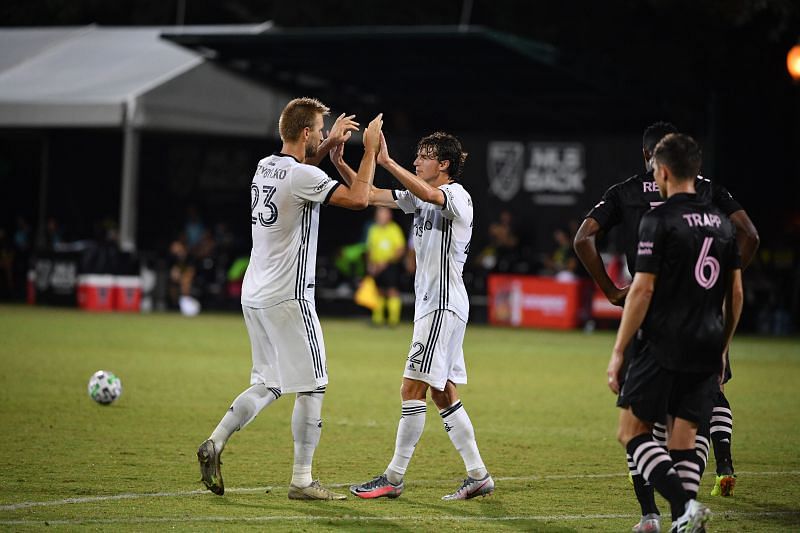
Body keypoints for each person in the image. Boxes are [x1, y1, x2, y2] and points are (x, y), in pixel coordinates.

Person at [574, 122, 758, 531]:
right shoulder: (722, 222)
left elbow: (641, 291)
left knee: (632, 430)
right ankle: (687, 522)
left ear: (660, 170)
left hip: (662, 335)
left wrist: (619, 349)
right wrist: (722, 343)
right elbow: (737, 294)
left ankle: (680, 507)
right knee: (685, 437)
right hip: (708, 336)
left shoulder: (658, 220)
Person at [196, 97, 383, 500]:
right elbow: (359, 199)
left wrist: (330, 144)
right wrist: (368, 150)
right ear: (304, 133)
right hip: (289, 297)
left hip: (255, 293)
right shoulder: (300, 175)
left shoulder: (266, 167)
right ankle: (301, 480)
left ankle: (215, 440)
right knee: (314, 385)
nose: (321, 135)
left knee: (270, 382)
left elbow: (300, 173)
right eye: (318, 130)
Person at [332, 131, 493, 501]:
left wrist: (387, 160)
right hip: (435, 306)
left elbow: (429, 194)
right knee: (442, 392)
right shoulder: (420, 197)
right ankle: (478, 475)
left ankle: (394, 476)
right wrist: (341, 163)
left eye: (424, 156)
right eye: (417, 155)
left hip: (442, 305)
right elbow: (370, 195)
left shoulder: (456, 196)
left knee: (411, 388)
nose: (418, 161)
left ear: (444, 165)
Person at [365, 206, 406, 326]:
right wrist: (370, 264)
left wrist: (386, 262)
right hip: (376, 266)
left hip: (390, 265)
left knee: (392, 291)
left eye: (383, 214)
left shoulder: (394, 229)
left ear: (389, 216)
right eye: (379, 214)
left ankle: (393, 321)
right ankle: (378, 320)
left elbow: (400, 249)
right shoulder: (373, 229)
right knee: (378, 291)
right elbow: (369, 248)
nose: (381, 217)